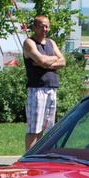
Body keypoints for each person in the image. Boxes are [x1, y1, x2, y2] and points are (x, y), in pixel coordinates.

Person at [23, 15, 66, 150]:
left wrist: (47, 64)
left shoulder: (51, 43)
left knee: (47, 128)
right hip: (37, 89)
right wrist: (52, 60)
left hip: (51, 89)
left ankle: (40, 156)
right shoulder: (29, 43)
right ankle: (29, 158)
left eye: (47, 26)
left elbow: (63, 61)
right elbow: (40, 59)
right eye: (41, 26)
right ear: (34, 27)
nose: (44, 29)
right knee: (34, 129)